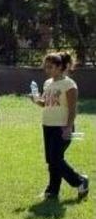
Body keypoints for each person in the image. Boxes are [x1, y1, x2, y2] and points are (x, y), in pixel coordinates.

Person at [31, 52, 89, 200]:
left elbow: (72, 109)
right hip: (47, 125)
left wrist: (68, 127)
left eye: (50, 67)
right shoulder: (47, 83)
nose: (47, 70)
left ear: (59, 67)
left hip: (62, 126)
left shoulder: (69, 85)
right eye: (46, 67)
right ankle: (52, 191)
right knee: (52, 160)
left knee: (55, 159)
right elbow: (45, 103)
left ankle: (80, 181)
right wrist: (36, 100)